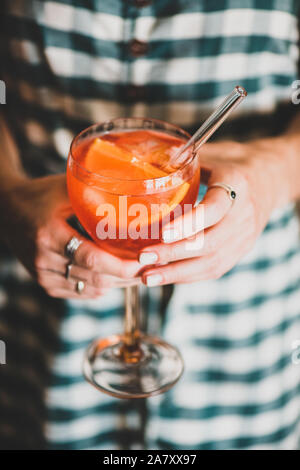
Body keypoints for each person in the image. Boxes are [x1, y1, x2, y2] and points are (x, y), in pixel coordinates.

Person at [0, 0, 300, 450]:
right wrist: (6, 193)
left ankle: (134, 341)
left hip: (243, 335)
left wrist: (273, 172)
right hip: (42, 318)